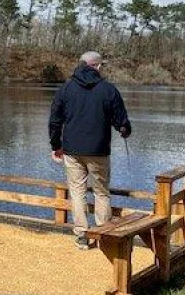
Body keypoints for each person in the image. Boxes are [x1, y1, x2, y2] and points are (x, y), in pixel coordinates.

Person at [48, 51, 131, 250]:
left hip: (72, 151)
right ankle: (104, 236)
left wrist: (55, 146)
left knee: (77, 193)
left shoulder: (66, 89)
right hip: (99, 151)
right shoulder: (108, 90)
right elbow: (121, 121)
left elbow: (55, 121)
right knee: (102, 193)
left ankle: (82, 236)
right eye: (101, 65)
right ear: (98, 66)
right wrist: (125, 129)